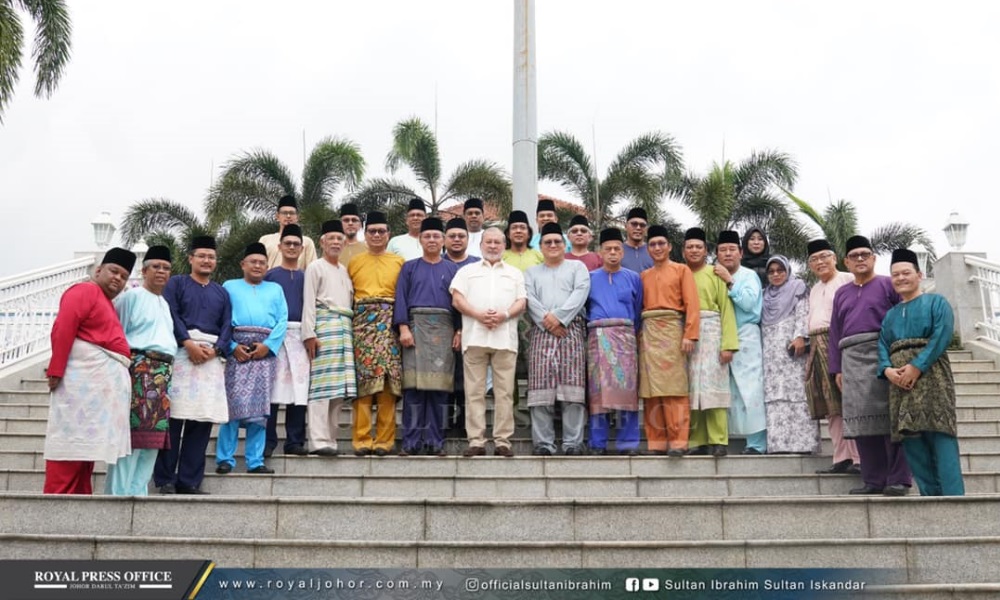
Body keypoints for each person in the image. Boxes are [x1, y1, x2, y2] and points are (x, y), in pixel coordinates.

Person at [43, 247, 135, 494]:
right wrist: (56, 369)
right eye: (114, 271)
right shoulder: (85, 290)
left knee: (85, 450)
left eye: (124, 276)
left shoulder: (105, 302)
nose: (118, 278)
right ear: (98, 270)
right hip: (81, 383)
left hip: (97, 388)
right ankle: (55, 502)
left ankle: (81, 499)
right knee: (70, 447)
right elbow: (63, 327)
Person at [829, 235, 912, 495]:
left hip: (884, 354)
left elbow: (902, 318)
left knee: (890, 418)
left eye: (865, 254)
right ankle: (873, 480)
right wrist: (837, 368)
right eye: (855, 256)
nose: (860, 259)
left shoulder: (889, 285)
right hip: (851, 360)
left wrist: (902, 357)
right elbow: (835, 332)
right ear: (846, 262)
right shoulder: (841, 293)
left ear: (874, 258)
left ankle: (899, 479)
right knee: (862, 421)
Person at [879, 249, 964, 496]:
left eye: (906, 273)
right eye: (895, 274)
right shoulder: (890, 315)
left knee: (941, 436)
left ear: (919, 274)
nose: (900, 278)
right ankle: (929, 497)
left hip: (933, 377)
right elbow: (882, 345)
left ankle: (954, 500)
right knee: (911, 439)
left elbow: (942, 335)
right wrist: (887, 371)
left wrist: (917, 366)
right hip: (899, 385)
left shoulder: (937, 303)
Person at [154, 236, 231, 495]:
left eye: (211, 257)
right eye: (202, 256)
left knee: (201, 424)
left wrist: (216, 349)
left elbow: (227, 325)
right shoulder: (176, 284)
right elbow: (170, 314)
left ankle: (189, 481)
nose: (207, 260)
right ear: (191, 258)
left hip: (210, 360)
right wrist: (187, 342)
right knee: (173, 420)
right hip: (181, 354)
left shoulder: (221, 292)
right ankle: (164, 479)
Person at [106, 245, 176, 496]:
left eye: (166, 268)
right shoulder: (130, 297)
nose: (161, 272)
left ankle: (139, 494)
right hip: (139, 371)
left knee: (152, 442)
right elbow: (118, 337)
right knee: (132, 439)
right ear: (144, 270)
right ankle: (118, 494)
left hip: (162, 374)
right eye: (156, 267)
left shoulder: (164, 303)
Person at [451, 228, 527, 457]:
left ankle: (503, 441)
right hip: (475, 336)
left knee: (504, 392)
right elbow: (457, 298)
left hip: (505, 338)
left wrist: (503, 314)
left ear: (504, 246)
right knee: (474, 392)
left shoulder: (515, 273)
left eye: (497, 242)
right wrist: (477, 314)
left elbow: (521, 302)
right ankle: (476, 441)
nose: (493, 246)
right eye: (489, 242)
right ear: (481, 245)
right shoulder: (467, 271)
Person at [216, 243, 287, 475]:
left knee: (261, 410)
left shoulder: (275, 289)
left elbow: (282, 321)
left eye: (262, 262)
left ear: (267, 266)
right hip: (237, 352)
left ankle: (255, 461)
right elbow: (223, 319)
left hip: (264, 353)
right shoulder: (229, 286)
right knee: (232, 407)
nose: (257, 266)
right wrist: (232, 346)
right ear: (243, 265)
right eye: (253, 262)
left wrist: (268, 346)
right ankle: (225, 459)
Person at [394, 217, 461, 456]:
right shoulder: (409, 267)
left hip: (444, 330)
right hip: (415, 328)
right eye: (427, 236)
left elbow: (459, 302)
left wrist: (459, 329)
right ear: (420, 240)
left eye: (436, 236)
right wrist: (403, 327)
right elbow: (400, 298)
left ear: (443, 241)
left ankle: (435, 441)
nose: (432, 240)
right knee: (413, 388)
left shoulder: (452, 269)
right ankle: (411, 441)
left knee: (439, 389)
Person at [525, 222, 591, 455]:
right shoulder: (532, 272)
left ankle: (573, 443)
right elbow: (529, 298)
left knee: (572, 390)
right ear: (540, 247)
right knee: (540, 392)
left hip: (570, 332)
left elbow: (580, 294)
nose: (553, 245)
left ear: (565, 245)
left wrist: (560, 319)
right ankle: (543, 444)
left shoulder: (577, 268)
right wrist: (548, 321)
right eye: (547, 242)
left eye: (557, 241)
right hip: (542, 334)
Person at [639, 225, 700, 456]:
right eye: (652, 244)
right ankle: (656, 443)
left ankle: (678, 442)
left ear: (670, 246)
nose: (657, 248)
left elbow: (692, 304)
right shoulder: (643, 276)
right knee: (651, 391)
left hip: (673, 330)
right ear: (648, 248)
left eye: (661, 243)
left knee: (675, 390)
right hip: (649, 334)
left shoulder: (681, 270)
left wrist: (690, 334)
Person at [348, 211, 405, 456]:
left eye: (382, 231)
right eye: (372, 231)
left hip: (390, 324)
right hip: (362, 325)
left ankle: (384, 440)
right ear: (365, 234)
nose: (377, 235)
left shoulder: (398, 262)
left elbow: (403, 296)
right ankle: (361, 439)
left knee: (387, 386)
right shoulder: (354, 262)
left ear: (388, 234)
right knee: (364, 386)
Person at [804, 239, 861, 474]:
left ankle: (860, 458)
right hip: (816, 344)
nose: (820, 262)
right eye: (814, 259)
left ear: (835, 258)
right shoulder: (815, 288)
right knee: (830, 405)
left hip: (840, 342)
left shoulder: (848, 279)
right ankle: (841, 457)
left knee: (848, 401)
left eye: (824, 257)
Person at [586, 228, 643, 455]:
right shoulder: (590, 278)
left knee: (627, 391)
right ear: (600, 252)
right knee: (597, 392)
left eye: (617, 249)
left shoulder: (634, 278)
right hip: (597, 338)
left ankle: (628, 443)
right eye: (608, 249)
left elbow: (638, 309)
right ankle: (597, 443)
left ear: (622, 251)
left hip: (625, 338)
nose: (612, 253)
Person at [302, 220, 356, 456]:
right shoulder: (315, 267)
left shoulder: (344, 270)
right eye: (331, 238)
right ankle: (317, 440)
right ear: (322, 242)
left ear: (344, 243)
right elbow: (309, 303)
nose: (335, 242)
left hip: (344, 330)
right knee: (321, 388)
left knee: (337, 391)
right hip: (323, 329)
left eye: (339, 239)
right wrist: (309, 334)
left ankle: (331, 439)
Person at [684, 227, 738, 457]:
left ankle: (718, 439)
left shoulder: (715, 272)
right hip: (687, 335)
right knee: (691, 387)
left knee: (714, 387)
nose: (694, 250)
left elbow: (726, 309)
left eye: (698, 246)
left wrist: (728, 344)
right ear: (683, 251)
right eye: (690, 247)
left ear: (705, 250)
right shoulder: (680, 273)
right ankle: (696, 440)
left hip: (713, 331)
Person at [714, 230, 767, 455]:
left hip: (746, 335)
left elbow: (747, 303)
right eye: (723, 250)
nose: (727, 254)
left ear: (740, 253)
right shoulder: (712, 273)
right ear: (716, 254)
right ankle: (729, 435)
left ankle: (757, 443)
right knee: (730, 389)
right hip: (721, 335)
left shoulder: (748, 275)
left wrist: (729, 281)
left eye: (732, 250)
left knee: (751, 388)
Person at [761, 255, 820, 454]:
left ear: (788, 271)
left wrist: (801, 337)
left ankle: (804, 445)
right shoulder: (765, 295)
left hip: (792, 348)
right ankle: (779, 445)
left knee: (797, 394)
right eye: (771, 271)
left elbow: (804, 313)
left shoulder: (798, 288)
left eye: (780, 270)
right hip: (770, 352)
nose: (776, 274)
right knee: (774, 394)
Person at [263, 224, 309, 457]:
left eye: (296, 244)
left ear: (302, 248)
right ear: (280, 246)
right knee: (273, 390)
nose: (292, 247)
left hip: (301, 336)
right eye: (287, 243)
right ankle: (268, 441)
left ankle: (295, 440)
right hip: (276, 338)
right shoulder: (270, 277)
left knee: (299, 390)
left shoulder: (307, 276)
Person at [443, 217, 481, 435]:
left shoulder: (477, 265)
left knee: (467, 379)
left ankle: (467, 423)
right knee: (445, 376)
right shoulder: (436, 262)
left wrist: (461, 329)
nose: (457, 240)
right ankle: (446, 421)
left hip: (472, 327)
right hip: (440, 329)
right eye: (452, 236)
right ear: (444, 239)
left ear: (468, 239)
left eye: (461, 236)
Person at [259, 195, 317, 269]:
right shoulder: (265, 240)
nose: (288, 216)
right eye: (284, 213)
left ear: (297, 217)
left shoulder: (306, 242)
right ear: (277, 216)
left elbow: (312, 270)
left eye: (292, 213)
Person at [621, 207, 654, 273]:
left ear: (646, 229)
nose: (638, 228)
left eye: (642, 225)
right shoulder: (617, 250)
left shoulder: (654, 251)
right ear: (625, 226)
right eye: (634, 224)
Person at [337, 202, 368, 267]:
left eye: (354, 220)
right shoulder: (332, 249)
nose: (350, 223)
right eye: (346, 220)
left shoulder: (368, 249)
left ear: (360, 225)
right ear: (340, 224)